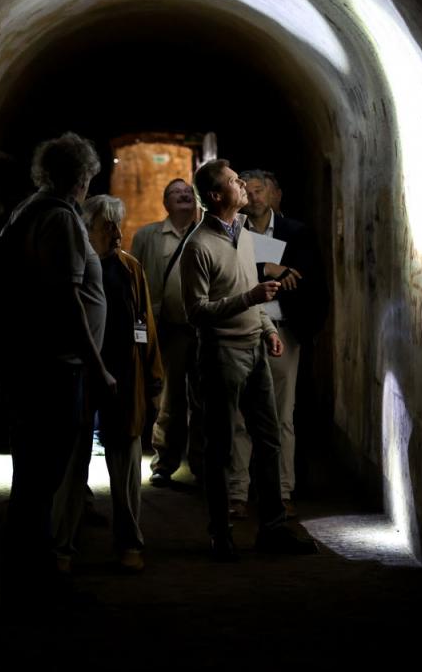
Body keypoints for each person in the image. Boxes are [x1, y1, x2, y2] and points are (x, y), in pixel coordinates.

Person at [0, 132, 116, 601]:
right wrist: (97, 365)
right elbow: (66, 299)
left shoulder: (27, 209)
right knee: (43, 476)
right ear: (81, 176)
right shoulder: (61, 218)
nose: (89, 183)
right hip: (53, 367)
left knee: (33, 476)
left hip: (32, 362)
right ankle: (36, 581)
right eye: (88, 175)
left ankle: (25, 574)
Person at [180, 160, 317, 560]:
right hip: (221, 353)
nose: (243, 185)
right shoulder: (199, 246)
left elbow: (249, 286)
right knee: (221, 446)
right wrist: (251, 301)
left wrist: (269, 331)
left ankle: (272, 527)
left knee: (269, 438)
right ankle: (220, 534)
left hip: (255, 346)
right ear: (217, 196)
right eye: (235, 182)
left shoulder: (241, 233)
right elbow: (197, 312)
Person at [52, 195, 163, 573]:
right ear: (87, 230)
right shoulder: (73, 267)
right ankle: (61, 548)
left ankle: (129, 543)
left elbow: (145, 325)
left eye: (119, 225)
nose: (117, 232)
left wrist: (153, 378)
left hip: (124, 376)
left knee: (128, 466)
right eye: (108, 226)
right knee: (71, 464)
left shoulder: (130, 268)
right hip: (80, 376)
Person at [228, 170, 329, 518]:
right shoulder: (231, 230)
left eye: (260, 191)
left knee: (281, 415)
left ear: (274, 195)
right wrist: (269, 269)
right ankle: (237, 493)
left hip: (283, 330)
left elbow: (307, 281)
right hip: (241, 328)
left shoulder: (296, 233)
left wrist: (281, 273)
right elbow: (229, 276)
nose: (254, 197)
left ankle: (282, 490)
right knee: (239, 417)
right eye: (248, 190)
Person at [130, 177, 204, 486]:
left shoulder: (207, 233)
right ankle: (164, 462)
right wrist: (140, 328)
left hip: (202, 329)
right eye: (176, 193)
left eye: (188, 192)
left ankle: (202, 463)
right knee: (170, 399)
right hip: (168, 329)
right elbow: (135, 281)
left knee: (203, 400)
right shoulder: (149, 236)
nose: (184, 195)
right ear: (165, 204)